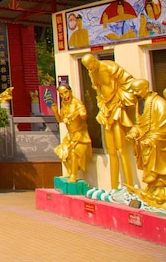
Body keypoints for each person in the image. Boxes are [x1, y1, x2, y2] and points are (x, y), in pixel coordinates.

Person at [81, 53, 137, 189]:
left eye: (90, 65)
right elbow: (99, 92)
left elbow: (129, 83)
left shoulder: (110, 67)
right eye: (87, 67)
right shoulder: (92, 73)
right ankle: (114, 187)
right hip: (106, 109)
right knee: (111, 151)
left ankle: (129, 186)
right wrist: (102, 105)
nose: (90, 69)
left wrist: (120, 100)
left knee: (121, 149)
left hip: (117, 107)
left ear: (95, 60)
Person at [127, 79, 166, 208]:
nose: (134, 93)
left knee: (156, 165)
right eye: (133, 90)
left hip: (156, 143)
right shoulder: (140, 103)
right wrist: (133, 132)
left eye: (137, 90)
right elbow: (139, 124)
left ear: (145, 88)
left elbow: (163, 127)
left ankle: (160, 190)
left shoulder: (159, 103)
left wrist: (151, 139)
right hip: (145, 142)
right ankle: (152, 189)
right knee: (146, 165)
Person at [50, 85, 92, 182]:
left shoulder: (77, 103)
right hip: (70, 136)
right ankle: (69, 172)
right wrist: (55, 112)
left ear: (70, 91)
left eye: (65, 92)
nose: (64, 96)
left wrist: (80, 114)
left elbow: (84, 116)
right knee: (62, 151)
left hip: (81, 135)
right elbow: (60, 119)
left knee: (74, 152)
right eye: (61, 94)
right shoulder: (64, 104)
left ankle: (74, 175)